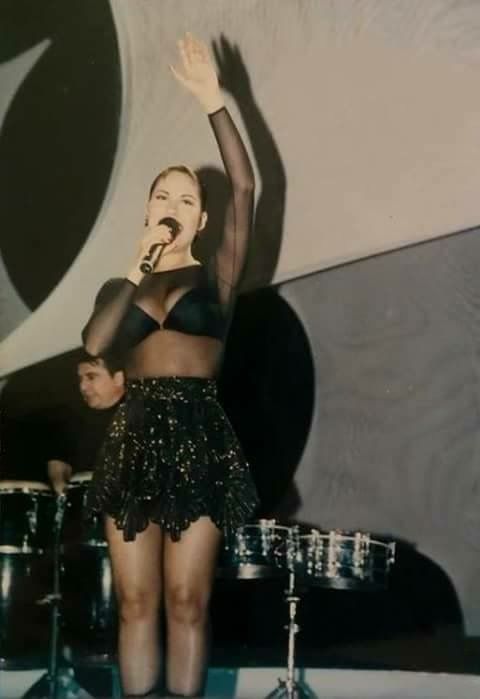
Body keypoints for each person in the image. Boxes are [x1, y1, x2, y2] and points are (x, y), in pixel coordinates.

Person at [82, 33, 259, 698]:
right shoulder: (122, 286)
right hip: (133, 438)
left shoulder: (218, 274)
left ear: (203, 218)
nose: (174, 206)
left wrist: (215, 103)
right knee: (135, 604)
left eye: (187, 199)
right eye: (164, 196)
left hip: (199, 438)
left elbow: (245, 184)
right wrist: (138, 264)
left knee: (186, 601)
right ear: (149, 210)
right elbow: (99, 342)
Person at [47, 352, 125, 494]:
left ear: (118, 378)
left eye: (91, 377)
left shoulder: (142, 415)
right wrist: (61, 487)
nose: (82, 386)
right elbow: (58, 464)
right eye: (80, 379)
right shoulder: (73, 419)